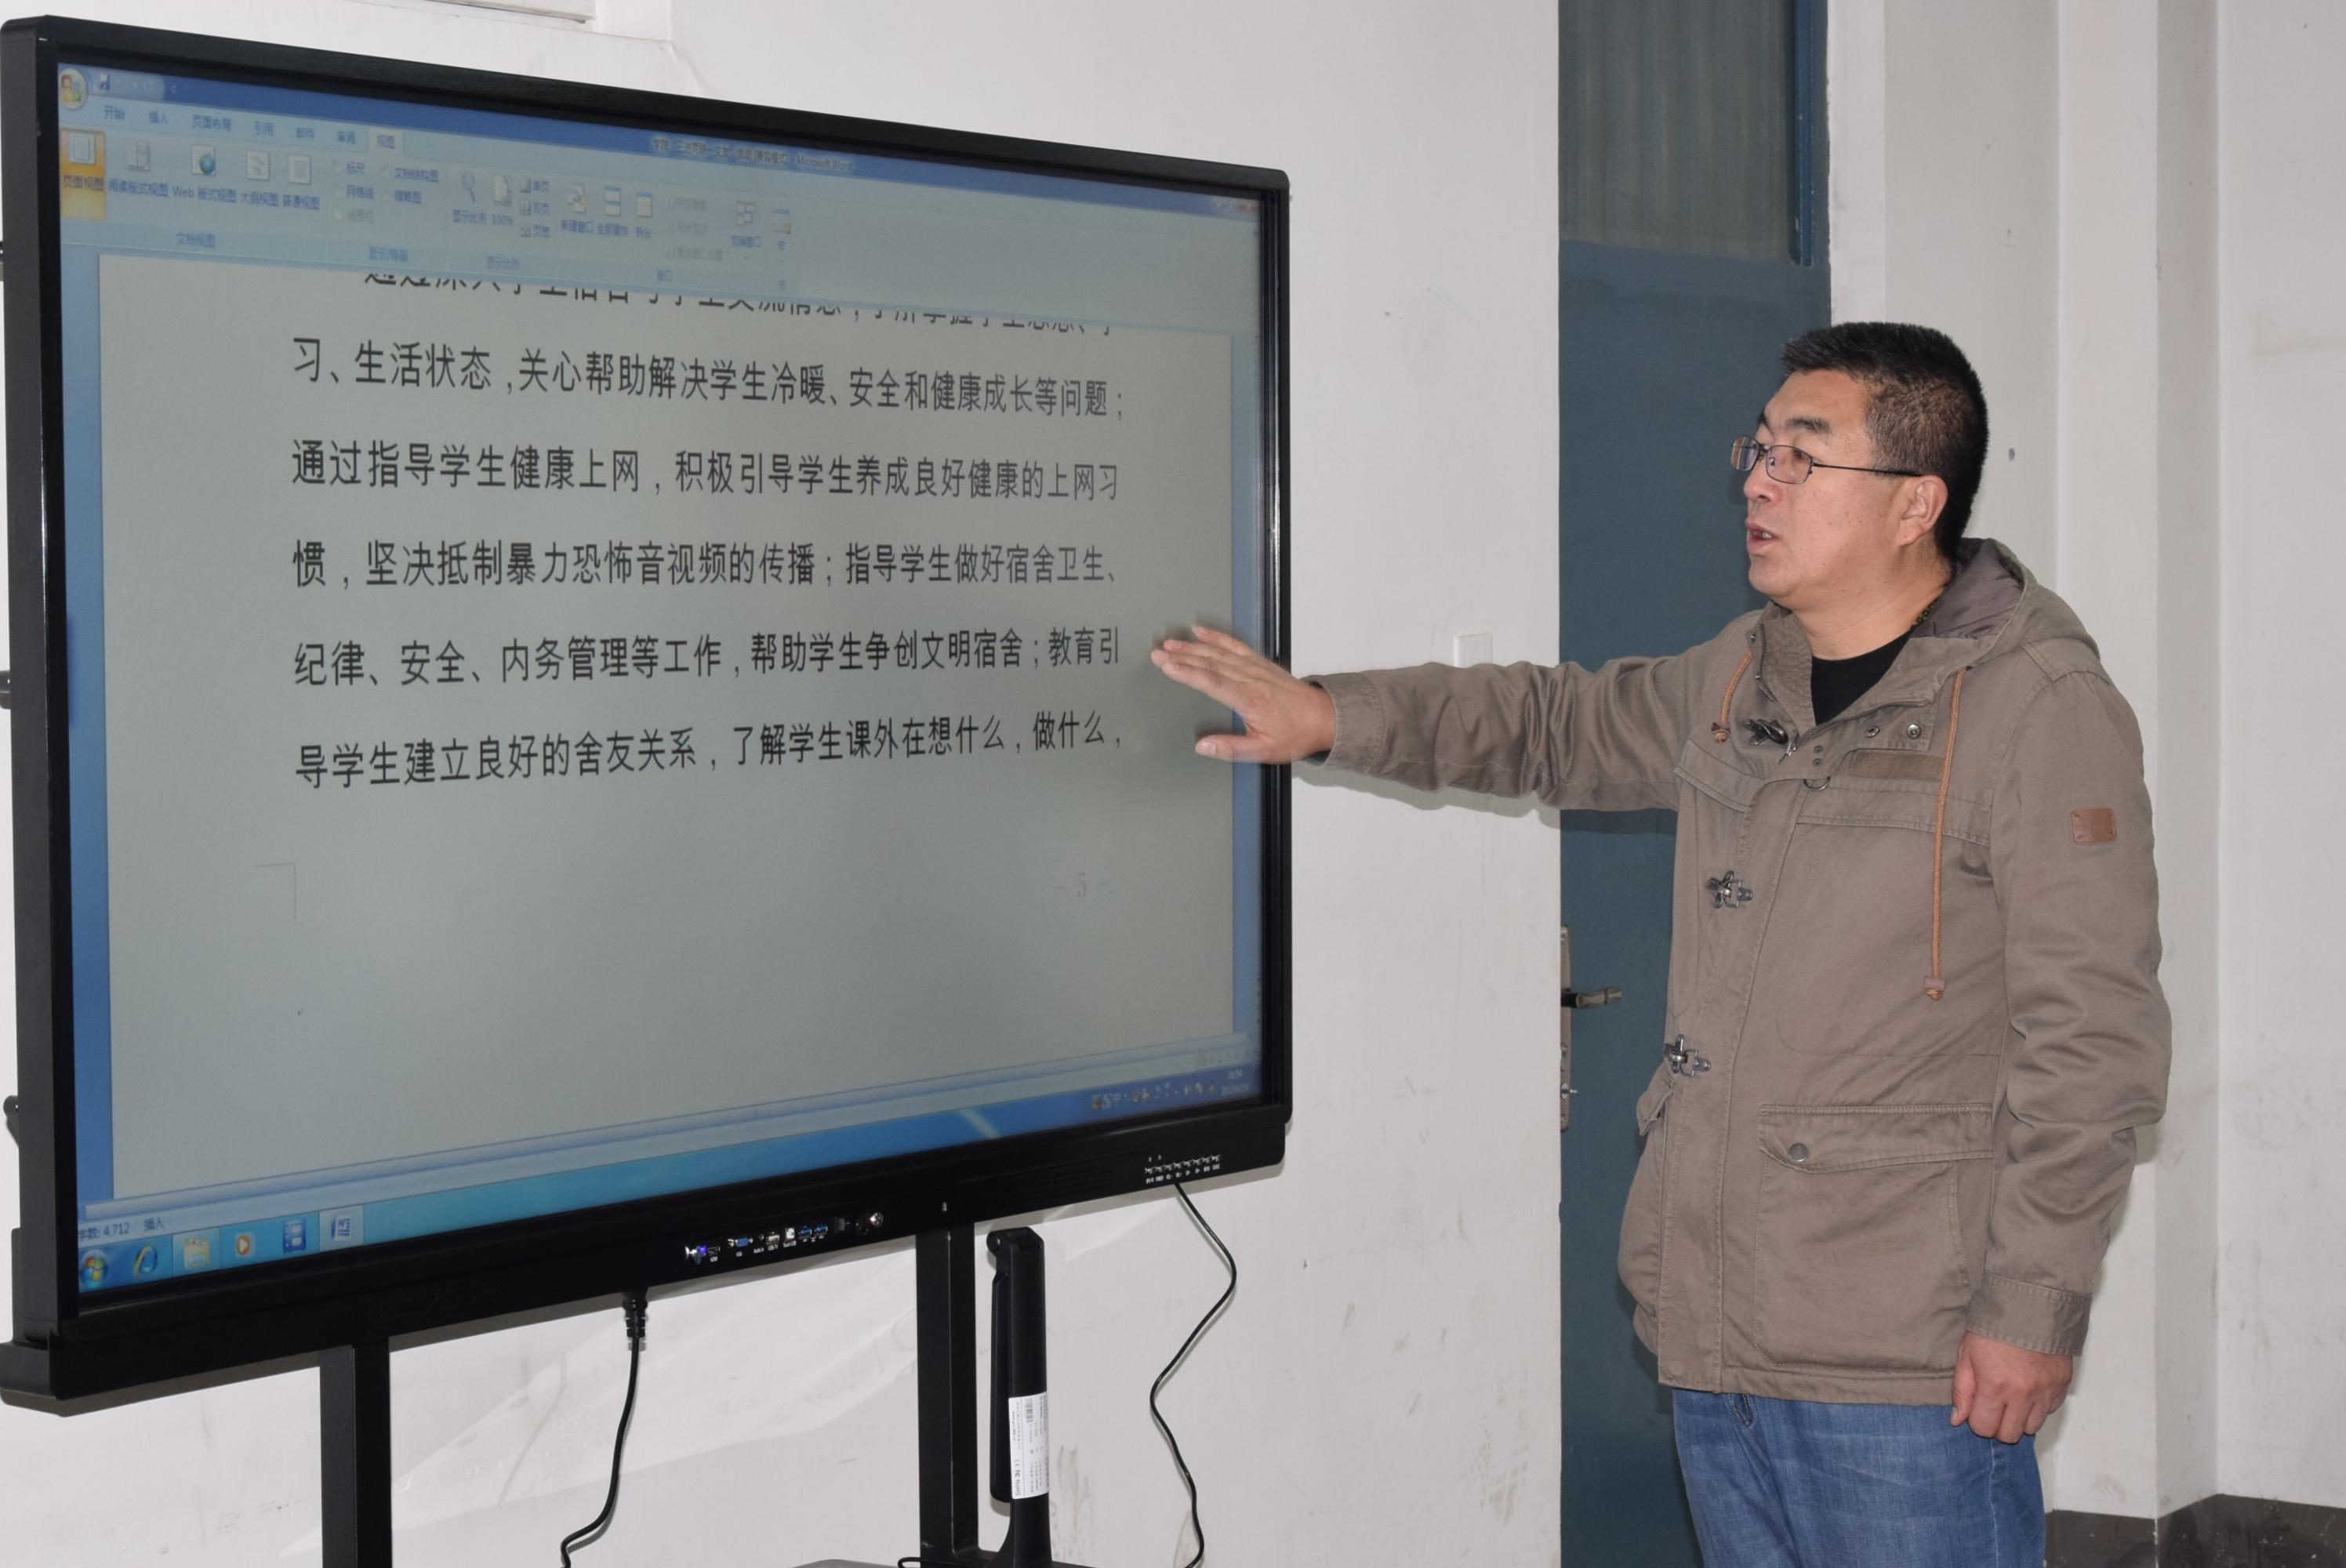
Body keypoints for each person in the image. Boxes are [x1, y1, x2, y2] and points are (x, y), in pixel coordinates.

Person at [1150, 322, 2171, 1568]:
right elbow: (1554, 724)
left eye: (1803, 457)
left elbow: (2095, 1039)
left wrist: (2035, 1306)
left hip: (1908, 1352)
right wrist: (1326, 715)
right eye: (1759, 449)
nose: (1759, 483)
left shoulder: (2037, 709)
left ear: (1917, 503)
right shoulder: (1747, 674)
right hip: (1717, 1318)